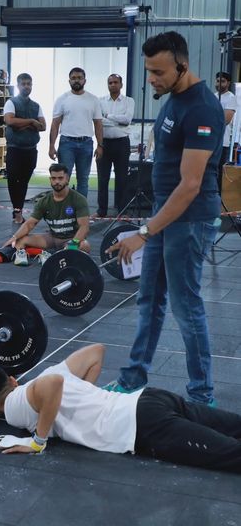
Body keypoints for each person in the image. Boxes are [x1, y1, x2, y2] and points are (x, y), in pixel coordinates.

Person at [103, 31, 225, 406]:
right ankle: (133, 378)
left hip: (189, 221)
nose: (152, 79)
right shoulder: (172, 99)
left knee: (186, 306)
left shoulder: (202, 108)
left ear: (182, 65)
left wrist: (143, 232)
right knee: (148, 299)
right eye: (149, 71)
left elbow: (190, 185)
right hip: (163, 216)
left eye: (158, 71)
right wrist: (151, 226)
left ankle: (201, 396)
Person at [0, 344, 241, 473]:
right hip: (151, 399)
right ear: (12, 379)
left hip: (142, 426)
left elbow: (51, 386)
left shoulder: (13, 406)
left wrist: (37, 442)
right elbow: (96, 352)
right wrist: (89, 393)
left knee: (232, 455)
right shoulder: (50, 371)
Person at [0, 164, 90, 266]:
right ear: (50, 180)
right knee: (21, 240)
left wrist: (73, 243)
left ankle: (46, 254)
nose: (57, 182)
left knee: (84, 246)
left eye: (60, 178)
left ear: (67, 179)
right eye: (54, 178)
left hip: (71, 239)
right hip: (53, 238)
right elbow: (30, 224)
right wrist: (14, 237)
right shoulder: (44, 201)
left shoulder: (78, 199)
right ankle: (0, 256)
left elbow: (84, 227)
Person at [49, 67, 103, 198]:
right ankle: (64, 210)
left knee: (83, 180)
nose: (76, 80)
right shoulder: (62, 99)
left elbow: (98, 124)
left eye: (79, 78)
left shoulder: (93, 100)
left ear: (85, 80)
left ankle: (81, 213)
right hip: (67, 143)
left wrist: (100, 145)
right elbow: (55, 124)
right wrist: (51, 146)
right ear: (69, 81)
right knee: (63, 179)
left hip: (86, 144)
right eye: (73, 78)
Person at [4, 73, 46, 223]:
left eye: (29, 84)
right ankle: (17, 212)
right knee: (13, 180)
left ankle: (18, 211)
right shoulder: (11, 102)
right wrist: (31, 121)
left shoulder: (36, 105)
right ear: (18, 86)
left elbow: (43, 126)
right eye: (24, 84)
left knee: (23, 182)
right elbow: (10, 121)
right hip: (15, 149)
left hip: (30, 150)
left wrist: (22, 124)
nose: (26, 86)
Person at [96, 74, 135, 216]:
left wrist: (108, 117)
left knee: (122, 178)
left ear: (121, 84)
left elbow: (127, 120)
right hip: (104, 143)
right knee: (102, 178)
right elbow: (98, 121)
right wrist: (117, 122)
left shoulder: (129, 101)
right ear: (107, 85)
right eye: (110, 82)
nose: (113, 85)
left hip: (122, 143)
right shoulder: (100, 101)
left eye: (115, 82)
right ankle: (101, 211)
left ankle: (121, 210)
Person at [214, 71, 237, 193]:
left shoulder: (231, 98)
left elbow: (225, 120)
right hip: (209, 141)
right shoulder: (213, 96)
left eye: (222, 81)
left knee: (218, 174)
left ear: (228, 83)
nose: (219, 84)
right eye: (217, 81)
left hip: (223, 142)